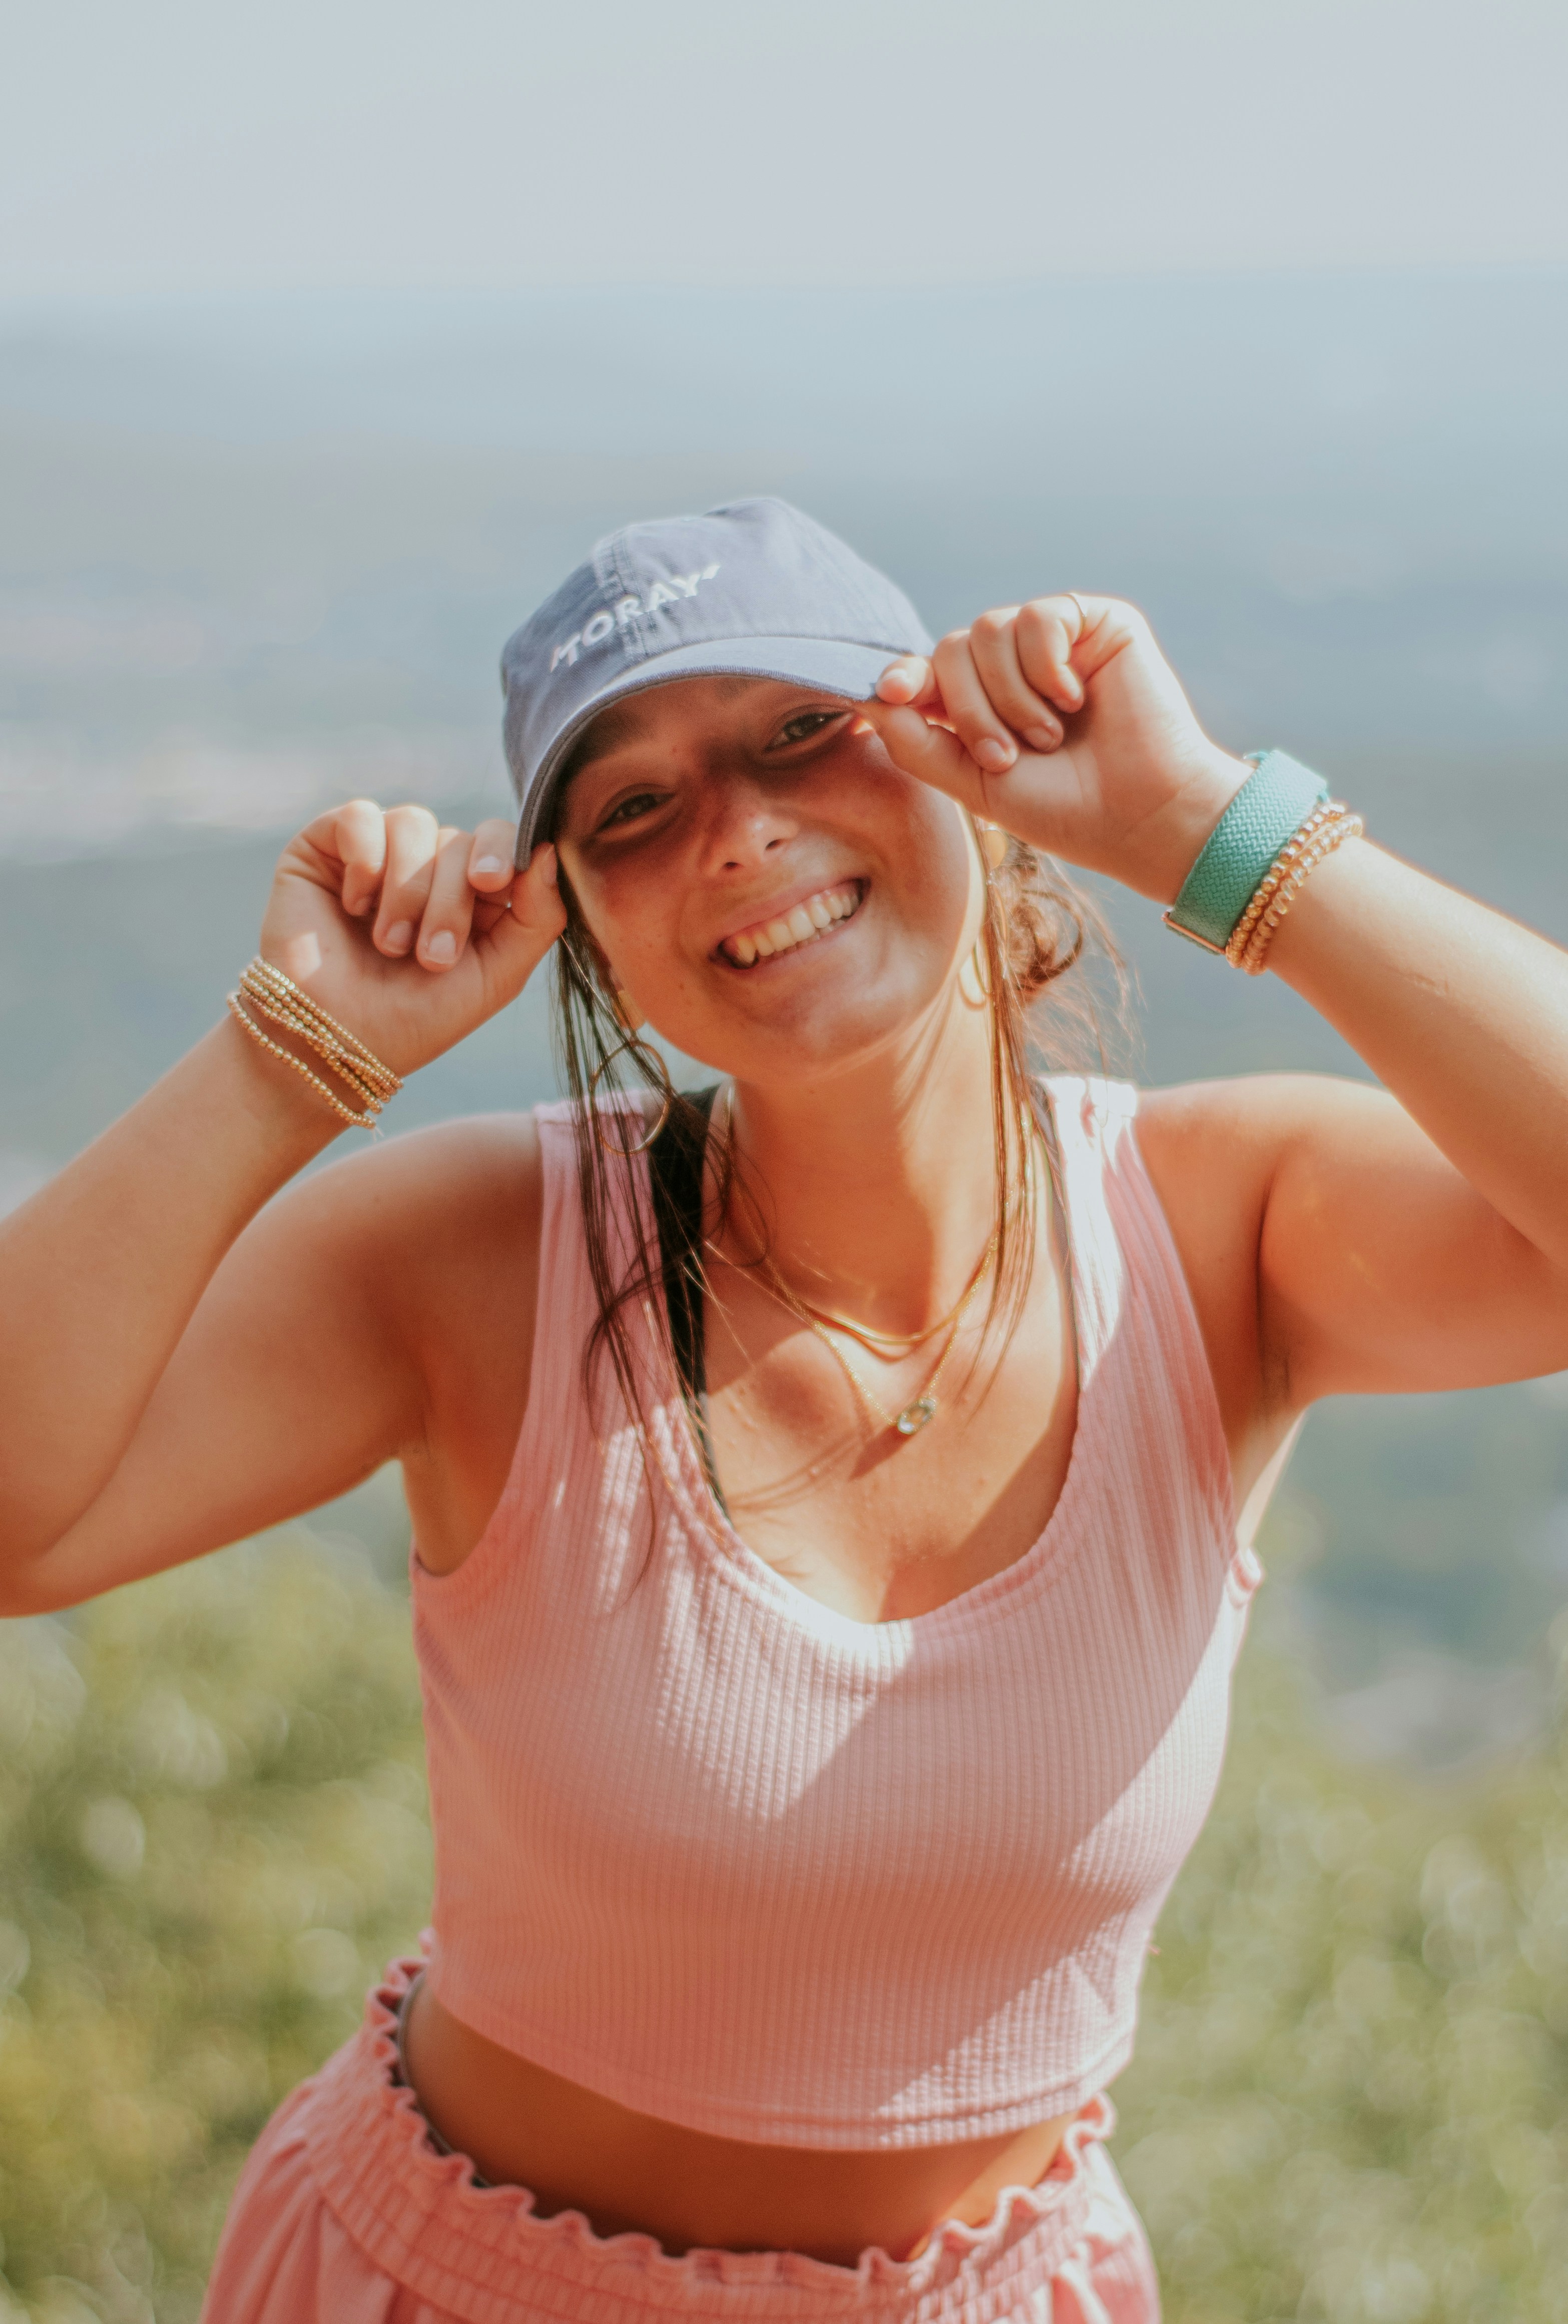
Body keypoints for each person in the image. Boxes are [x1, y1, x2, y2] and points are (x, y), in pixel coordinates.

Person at [4, 497, 1566, 2324]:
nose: (738, 832)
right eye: (633, 812)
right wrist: (286, 1058)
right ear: (581, 927)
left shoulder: (1226, 1231)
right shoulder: (474, 1263)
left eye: (802, 736)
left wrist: (1205, 826)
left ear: (972, 772)